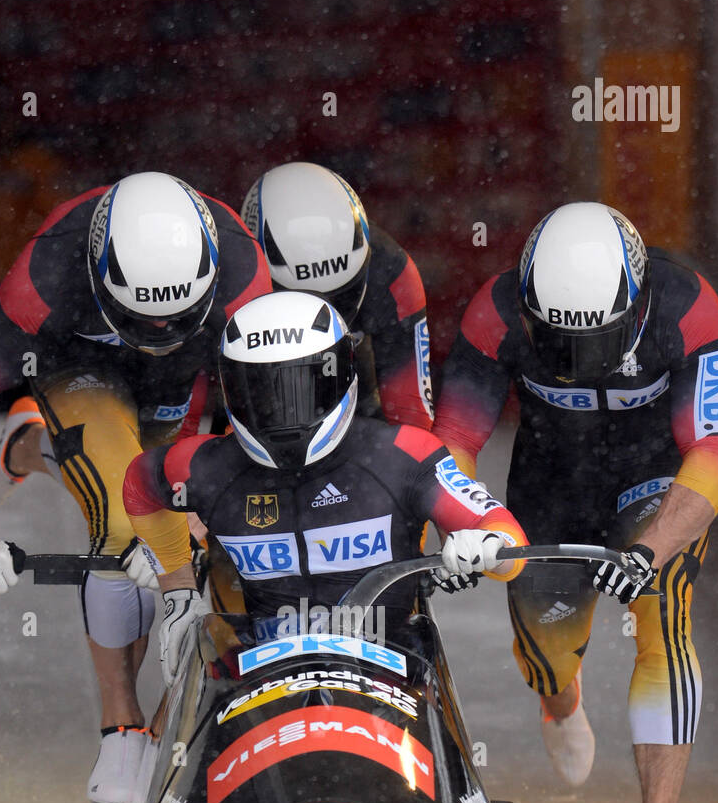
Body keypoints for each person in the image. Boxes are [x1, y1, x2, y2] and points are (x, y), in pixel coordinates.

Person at [0, 171, 272, 803]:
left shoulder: (242, 275)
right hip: (78, 370)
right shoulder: (46, 270)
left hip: (179, 391)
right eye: (142, 314)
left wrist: (197, 533)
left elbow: (252, 417)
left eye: (174, 315)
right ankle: (122, 735)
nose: (159, 325)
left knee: (184, 528)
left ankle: (32, 445)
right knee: (126, 520)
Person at [433, 201, 718, 803]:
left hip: (654, 480)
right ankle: (559, 702)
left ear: (634, 309)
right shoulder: (496, 313)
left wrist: (650, 550)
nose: (579, 364)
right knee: (547, 634)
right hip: (551, 482)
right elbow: (453, 437)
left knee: (664, 615)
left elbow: (715, 452)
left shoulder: (690, 310)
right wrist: (471, 523)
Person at [121, 290, 527, 700]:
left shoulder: (404, 456)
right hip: (265, 680)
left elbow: (502, 536)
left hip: (389, 677)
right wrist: (179, 591)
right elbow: (140, 483)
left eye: (302, 388)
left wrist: (488, 545)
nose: (284, 412)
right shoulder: (210, 468)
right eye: (262, 392)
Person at [241, 161, 434, 431]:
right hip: (266, 394)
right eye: (309, 301)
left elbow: (411, 417)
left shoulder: (392, 273)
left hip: (356, 385)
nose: (328, 313)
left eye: (341, 296)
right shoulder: (238, 278)